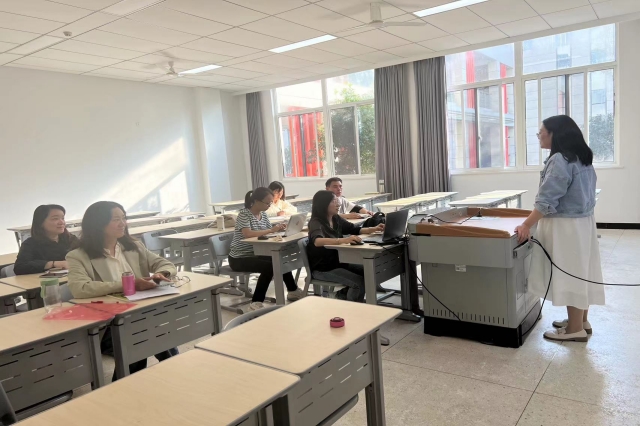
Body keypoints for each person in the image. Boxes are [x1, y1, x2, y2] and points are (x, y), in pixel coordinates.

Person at [515, 115, 603, 342]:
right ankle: (581, 321)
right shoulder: (582, 157)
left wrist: (526, 224)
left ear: (555, 134)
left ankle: (575, 330)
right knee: (581, 272)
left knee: (570, 273)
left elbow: (546, 200)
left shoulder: (559, 160)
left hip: (565, 227)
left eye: (541, 132)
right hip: (583, 223)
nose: (539, 136)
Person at [66, 201, 178, 380]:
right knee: (143, 337)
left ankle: (167, 375)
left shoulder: (133, 246)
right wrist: (128, 285)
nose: (122, 223)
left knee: (154, 333)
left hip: (139, 315)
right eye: (116, 219)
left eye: (124, 218)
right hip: (107, 324)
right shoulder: (78, 256)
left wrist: (161, 274)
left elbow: (165, 264)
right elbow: (80, 288)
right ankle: (169, 374)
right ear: (98, 224)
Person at [228, 188, 305, 310]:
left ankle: (292, 291)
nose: (269, 205)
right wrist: (271, 230)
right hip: (240, 258)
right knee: (270, 266)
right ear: (256, 201)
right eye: (267, 203)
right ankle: (256, 302)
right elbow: (247, 234)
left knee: (280, 259)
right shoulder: (244, 214)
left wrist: (278, 229)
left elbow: (269, 232)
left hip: (257, 253)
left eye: (270, 203)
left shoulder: (263, 214)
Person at [306, 190, 384, 302]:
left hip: (340, 263)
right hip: (323, 268)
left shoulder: (336, 218)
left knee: (370, 271)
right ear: (324, 204)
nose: (338, 204)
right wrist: (343, 240)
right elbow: (317, 241)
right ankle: (352, 307)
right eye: (334, 201)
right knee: (358, 282)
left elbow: (354, 229)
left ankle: (342, 295)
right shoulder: (316, 222)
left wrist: (374, 229)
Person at [14, 204, 79, 275]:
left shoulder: (70, 239)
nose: (61, 222)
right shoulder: (30, 244)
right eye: (55, 219)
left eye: (63, 218)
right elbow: (19, 268)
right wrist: (53, 264)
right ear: (41, 223)